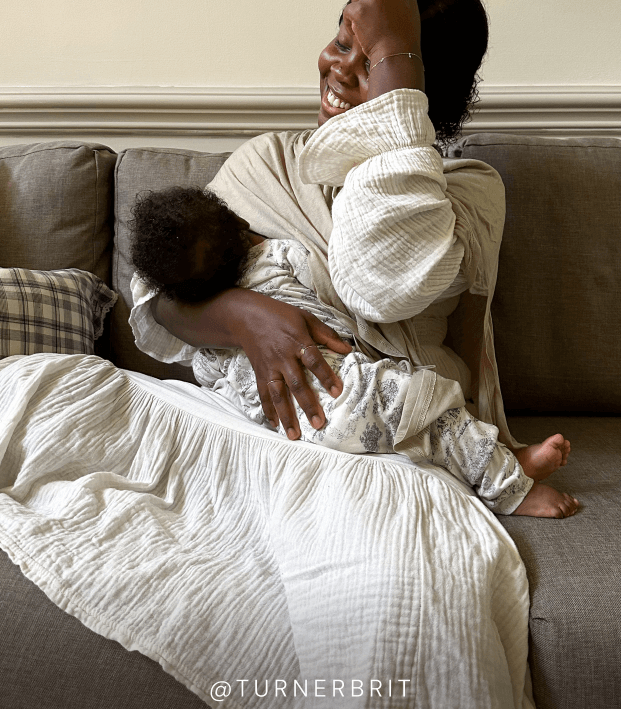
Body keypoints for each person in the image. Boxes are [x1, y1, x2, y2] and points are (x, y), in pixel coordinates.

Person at [128, 0, 572, 709]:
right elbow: (155, 304)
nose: (339, 63)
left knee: (395, 598)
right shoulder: (266, 162)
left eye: (370, 56)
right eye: (340, 37)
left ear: (417, 85)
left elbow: (379, 276)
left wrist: (392, 80)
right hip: (256, 427)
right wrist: (240, 317)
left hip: (388, 441)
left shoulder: (464, 192)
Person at [129, 184, 574, 517]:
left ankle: (495, 466)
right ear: (241, 229)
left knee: (420, 430)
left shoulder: (206, 343)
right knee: (432, 413)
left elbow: (207, 370)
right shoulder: (280, 254)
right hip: (346, 387)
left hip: (295, 425)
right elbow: (332, 299)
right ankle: (511, 487)